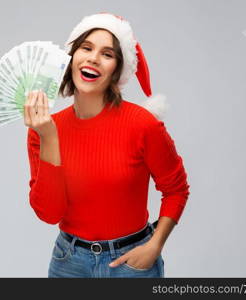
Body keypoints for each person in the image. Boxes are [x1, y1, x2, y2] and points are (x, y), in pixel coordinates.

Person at [24, 13, 190, 278]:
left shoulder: (143, 125)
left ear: (117, 70)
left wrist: (154, 245)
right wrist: (49, 138)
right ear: (72, 57)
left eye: (107, 54)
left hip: (131, 264)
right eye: (86, 48)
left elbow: (176, 189)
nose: (93, 58)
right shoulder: (44, 130)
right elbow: (49, 212)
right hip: (69, 263)